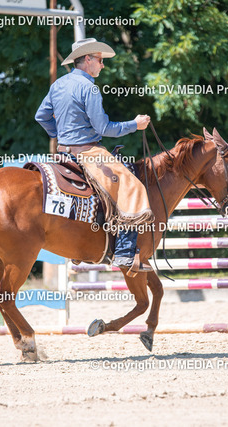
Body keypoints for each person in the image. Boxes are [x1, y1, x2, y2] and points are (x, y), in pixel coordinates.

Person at [35, 38, 154, 275]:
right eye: (100, 60)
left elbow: (41, 116)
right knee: (133, 187)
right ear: (87, 59)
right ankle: (124, 252)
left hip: (62, 153)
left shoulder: (58, 84)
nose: (102, 65)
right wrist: (135, 124)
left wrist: (59, 134)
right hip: (89, 152)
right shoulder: (89, 88)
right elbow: (104, 128)